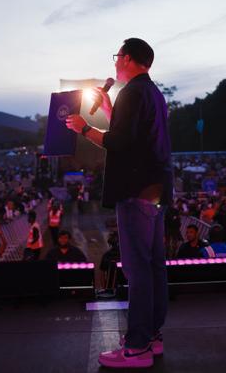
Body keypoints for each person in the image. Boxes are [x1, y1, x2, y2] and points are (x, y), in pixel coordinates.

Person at [66, 38, 172, 368]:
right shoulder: (152, 94)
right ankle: (152, 336)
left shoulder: (133, 93)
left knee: (137, 269)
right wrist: (111, 109)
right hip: (156, 191)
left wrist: (84, 129)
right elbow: (133, 134)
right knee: (153, 266)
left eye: (117, 57)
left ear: (126, 58)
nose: (114, 64)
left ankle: (137, 346)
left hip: (135, 190)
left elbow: (118, 142)